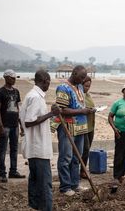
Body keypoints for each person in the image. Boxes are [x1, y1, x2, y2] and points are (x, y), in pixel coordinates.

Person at [50, 65, 95, 196]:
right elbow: (62, 110)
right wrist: (82, 111)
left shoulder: (80, 87)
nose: (82, 80)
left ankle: (75, 184)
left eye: (83, 78)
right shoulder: (63, 88)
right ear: (74, 73)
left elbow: (81, 104)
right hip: (67, 127)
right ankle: (65, 187)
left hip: (80, 128)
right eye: (81, 77)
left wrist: (88, 110)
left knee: (77, 157)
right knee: (66, 158)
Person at [20, 70, 60, 211]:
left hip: (34, 146)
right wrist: (51, 113)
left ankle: (35, 206)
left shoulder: (31, 95)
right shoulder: (35, 97)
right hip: (38, 148)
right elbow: (29, 121)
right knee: (44, 183)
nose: (49, 84)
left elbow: (25, 121)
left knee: (36, 181)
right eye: (49, 82)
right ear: (45, 81)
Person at [0, 69, 25, 183]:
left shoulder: (16, 92)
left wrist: (21, 124)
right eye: (12, 78)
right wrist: (0, 126)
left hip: (14, 125)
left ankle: (13, 171)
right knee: (2, 149)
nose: (14, 79)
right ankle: (2, 173)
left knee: (14, 148)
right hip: (5, 125)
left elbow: (18, 108)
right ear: (6, 78)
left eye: (15, 77)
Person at [80, 76, 95, 179]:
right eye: (86, 86)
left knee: (88, 149)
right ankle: (81, 170)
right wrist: (87, 110)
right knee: (84, 149)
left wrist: (93, 109)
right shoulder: (79, 95)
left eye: (89, 86)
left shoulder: (88, 95)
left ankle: (83, 169)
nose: (87, 88)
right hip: (83, 126)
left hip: (91, 126)